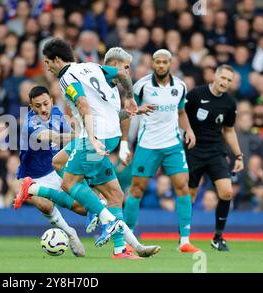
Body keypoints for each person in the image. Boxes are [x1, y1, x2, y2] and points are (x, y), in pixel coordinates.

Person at [16, 39, 160, 259]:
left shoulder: (66, 77)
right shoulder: (94, 68)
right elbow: (122, 77)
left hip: (96, 137)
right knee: (114, 193)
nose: (48, 68)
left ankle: (105, 220)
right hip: (108, 136)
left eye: (48, 63)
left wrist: (91, 136)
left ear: (56, 59)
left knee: (69, 184)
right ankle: (122, 248)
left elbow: (83, 104)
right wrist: (131, 102)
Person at [124, 49, 201, 253]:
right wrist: (125, 140)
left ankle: (184, 241)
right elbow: (127, 108)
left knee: (183, 187)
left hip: (172, 144)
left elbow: (181, 112)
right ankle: (128, 241)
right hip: (147, 144)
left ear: (170, 64)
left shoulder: (180, 86)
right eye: (157, 62)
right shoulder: (142, 85)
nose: (160, 65)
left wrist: (189, 130)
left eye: (164, 62)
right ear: (152, 63)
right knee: (136, 189)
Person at [16, 85, 86, 257]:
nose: (43, 109)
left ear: (51, 101)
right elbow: (52, 137)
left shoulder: (56, 113)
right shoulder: (29, 123)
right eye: (38, 106)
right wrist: (85, 135)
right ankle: (70, 233)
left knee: (82, 209)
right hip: (32, 176)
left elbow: (68, 141)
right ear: (31, 107)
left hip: (55, 169)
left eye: (46, 103)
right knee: (45, 204)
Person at [185, 65, 244, 251]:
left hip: (215, 151)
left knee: (227, 192)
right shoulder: (196, 94)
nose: (225, 82)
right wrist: (186, 131)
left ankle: (218, 237)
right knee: (190, 195)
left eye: (229, 80)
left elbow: (229, 130)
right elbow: (180, 115)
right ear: (215, 77)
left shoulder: (229, 103)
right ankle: (184, 238)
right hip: (193, 149)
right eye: (223, 78)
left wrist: (238, 155)